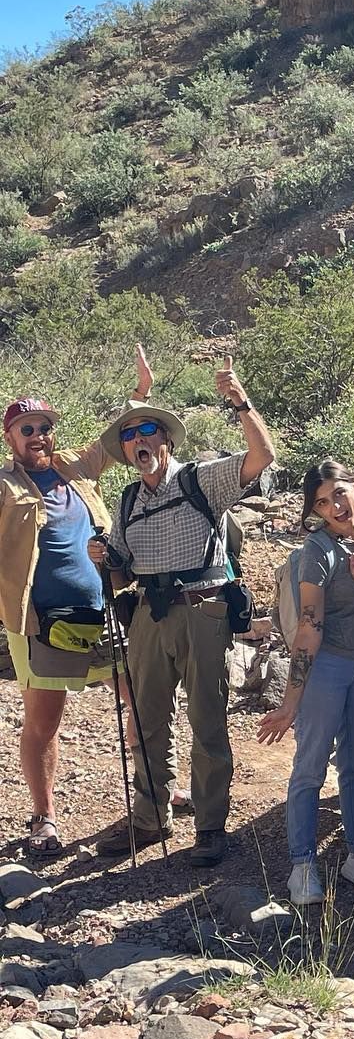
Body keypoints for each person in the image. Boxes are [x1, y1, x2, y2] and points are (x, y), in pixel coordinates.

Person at [96, 357, 276, 866]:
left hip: (203, 610)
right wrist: (104, 560)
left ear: (166, 441)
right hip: (150, 616)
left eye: (148, 430)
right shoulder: (129, 500)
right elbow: (122, 570)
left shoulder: (201, 480)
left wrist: (240, 400)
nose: (139, 441)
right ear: (126, 450)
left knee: (207, 719)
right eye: (130, 436)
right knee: (149, 718)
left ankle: (211, 826)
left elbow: (262, 456)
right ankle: (150, 818)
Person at [0, 350, 151, 859]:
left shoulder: (73, 470)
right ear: (11, 439)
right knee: (45, 718)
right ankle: (44, 818)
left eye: (43, 426)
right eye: (27, 429)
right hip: (41, 622)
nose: (38, 435)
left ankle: (155, 791)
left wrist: (140, 396)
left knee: (137, 694)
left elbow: (113, 442)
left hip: (103, 609)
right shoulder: (4, 487)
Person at [257, 461, 354, 904]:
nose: (334, 506)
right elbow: (309, 626)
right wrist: (289, 703)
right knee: (311, 765)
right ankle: (302, 864)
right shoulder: (316, 551)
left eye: (339, 493)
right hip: (327, 668)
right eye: (322, 502)